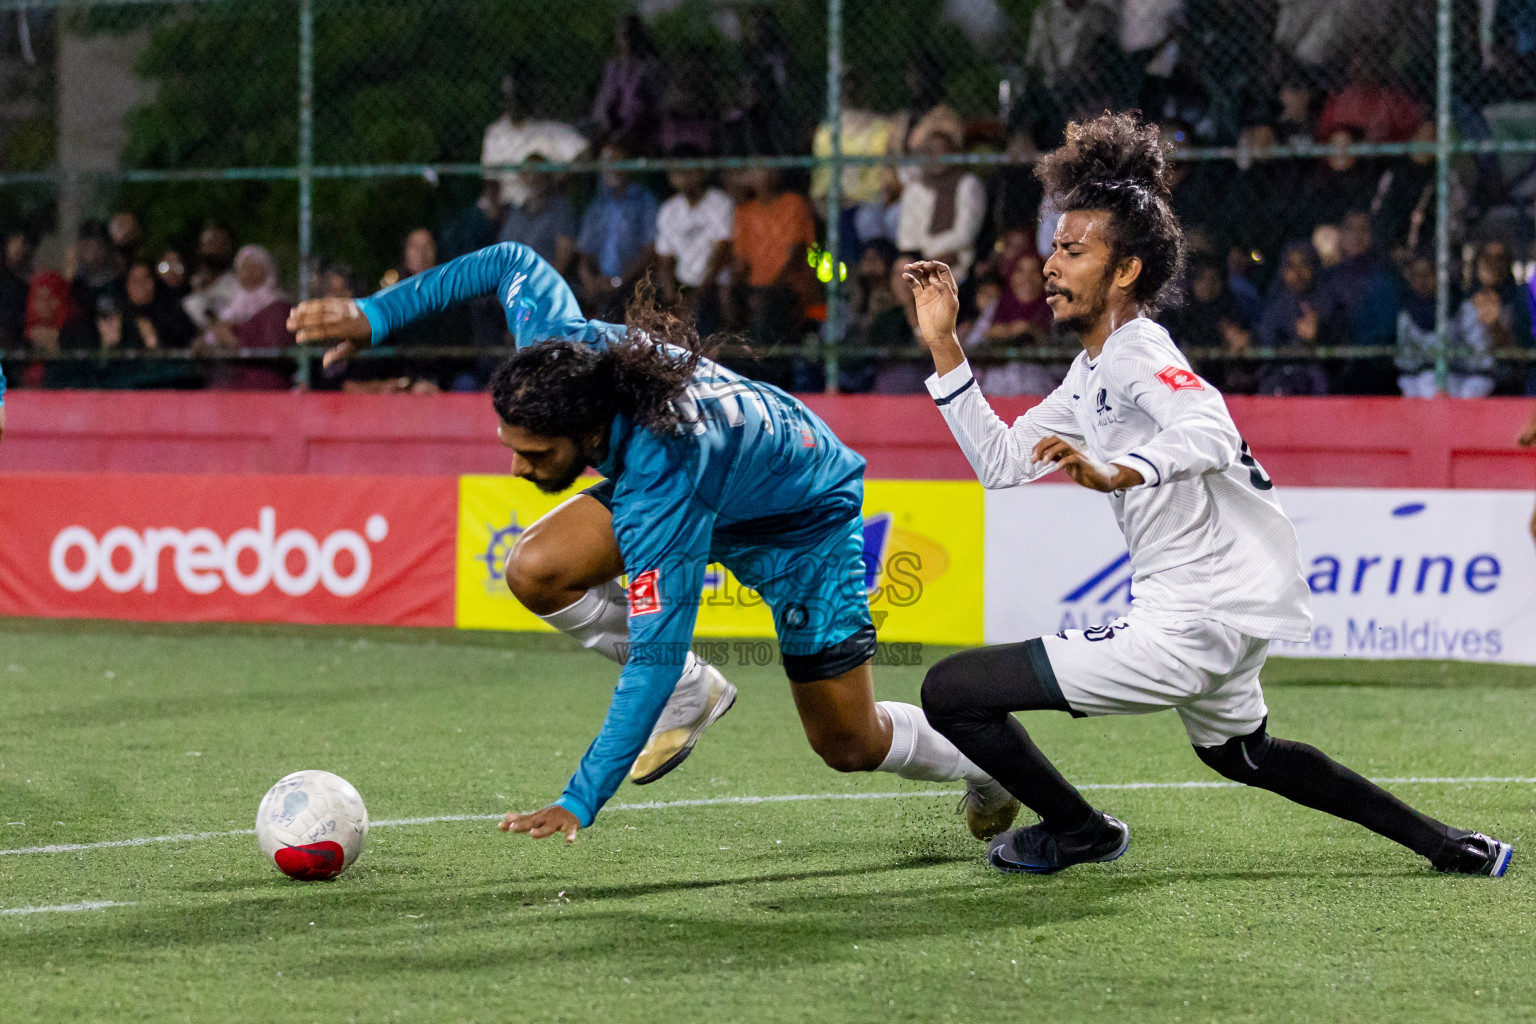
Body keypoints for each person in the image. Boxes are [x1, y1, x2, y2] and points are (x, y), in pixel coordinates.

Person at [906, 111, 1512, 879]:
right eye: (1054, 246)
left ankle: (1080, 830)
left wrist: (1119, 471)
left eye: (1072, 250)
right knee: (1243, 753)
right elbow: (998, 462)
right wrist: (945, 345)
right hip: (1226, 612)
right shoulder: (1092, 373)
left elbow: (1210, 429)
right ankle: (1450, 845)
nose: (1051, 264)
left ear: (1125, 271)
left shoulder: (1136, 352)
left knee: (951, 691)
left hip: (1191, 623)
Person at [283, 240, 1020, 846]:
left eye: (536, 456)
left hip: (803, 517)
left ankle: (985, 763)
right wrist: (374, 316)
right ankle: (698, 693)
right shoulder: (561, 357)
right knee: (535, 569)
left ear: (588, 434)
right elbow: (509, 260)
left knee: (847, 743)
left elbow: (655, 651)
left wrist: (580, 799)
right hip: (717, 474)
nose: (517, 467)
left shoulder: (659, 487)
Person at [896, 106, 986, 280]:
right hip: (918, 258)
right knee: (903, 270)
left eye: (942, 150)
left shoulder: (968, 184)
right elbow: (905, 237)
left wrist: (932, 252)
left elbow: (965, 234)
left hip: (956, 260)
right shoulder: (915, 188)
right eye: (931, 151)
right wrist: (925, 255)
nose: (936, 157)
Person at [654, 147, 733, 335]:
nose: (681, 176)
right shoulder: (669, 209)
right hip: (683, 285)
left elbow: (722, 253)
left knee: (701, 318)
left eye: (687, 170)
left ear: (702, 171)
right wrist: (671, 298)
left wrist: (697, 296)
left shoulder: (720, 203)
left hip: (713, 285)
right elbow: (664, 259)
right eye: (675, 171)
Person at [481, 72, 587, 211]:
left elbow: (585, 152)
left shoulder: (549, 130)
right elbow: (490, 180)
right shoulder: (495, 132)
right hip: (501, 206)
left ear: (530, 95)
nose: (513, 101)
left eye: (517, 95)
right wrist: (495, 209)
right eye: (508, 95)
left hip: (537, 205)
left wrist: (556, 184)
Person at [576, 143, 658, 320]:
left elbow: (649, 252)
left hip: (631, 280)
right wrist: (590, 279)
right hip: (598, 280)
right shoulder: (597, 204)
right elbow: (584, 251)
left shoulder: (645, 201)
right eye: (606, 163)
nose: (610, 168)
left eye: (616, 162)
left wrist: (617, 280)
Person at [199, 244, 294, 390]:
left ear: (267, 270)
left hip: (264, 386)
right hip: (230, 387)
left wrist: (234, 342)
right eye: (244, 267)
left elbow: (275, 351)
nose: (249, 273)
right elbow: (210, 342)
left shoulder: (279, 307)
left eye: (255, 267)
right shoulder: (232, 306)